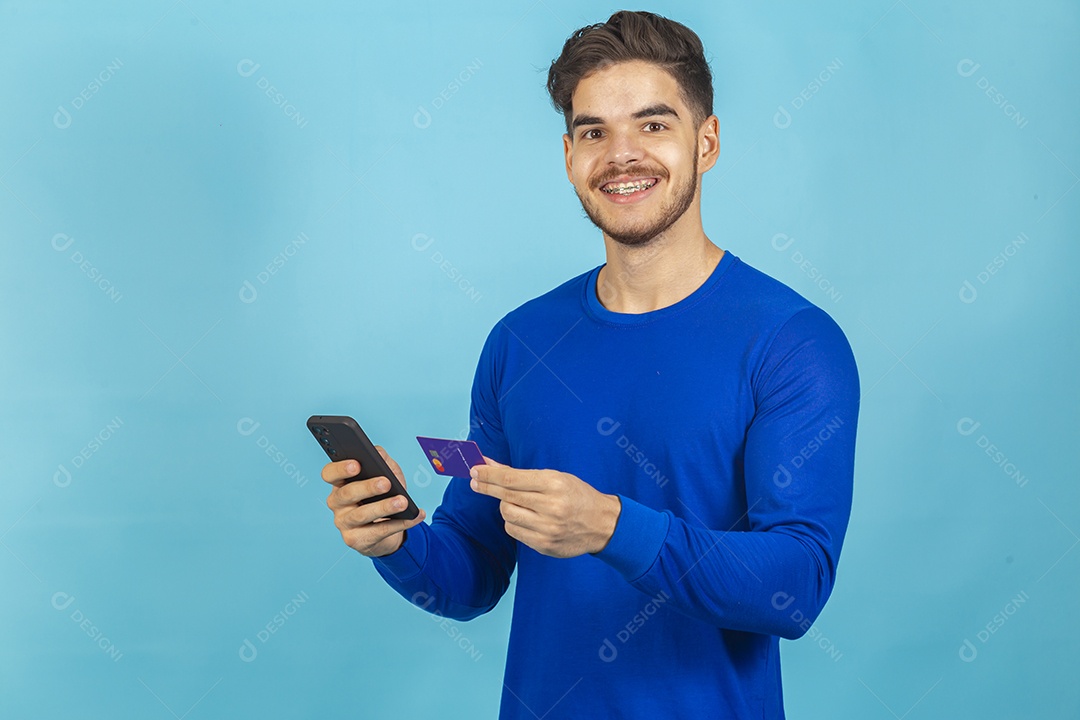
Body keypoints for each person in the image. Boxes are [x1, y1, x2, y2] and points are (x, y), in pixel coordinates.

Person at [322, 10, 859, 719]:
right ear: (569, 154)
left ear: (708, 143)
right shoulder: (520, 341)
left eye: (654, 125)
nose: (622, 154)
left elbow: (796, 587)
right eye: (594, 131)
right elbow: (472, 574)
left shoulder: (792, 342)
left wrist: (611, 527)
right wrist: (396, 543)